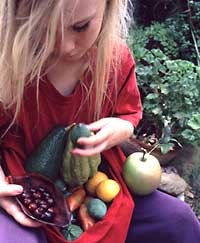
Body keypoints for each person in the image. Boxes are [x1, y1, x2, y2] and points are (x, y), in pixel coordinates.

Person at [0, 1, 200, 243]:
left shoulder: (115, 60)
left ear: (108, 7)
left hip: (98, 180)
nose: (65, 46)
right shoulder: (7, 62)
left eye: (81, 26)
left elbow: (128, 115)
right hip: (22, 187)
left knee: (178, 220)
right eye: (44, 29)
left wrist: (121, 129)